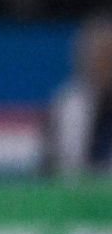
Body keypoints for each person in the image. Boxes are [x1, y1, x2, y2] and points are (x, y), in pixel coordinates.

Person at [48, 15, 112, 175]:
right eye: (98, 56)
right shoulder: (68, 102)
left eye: (108, 57)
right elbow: (50, 158)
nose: (103, 64)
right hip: (74, 191)